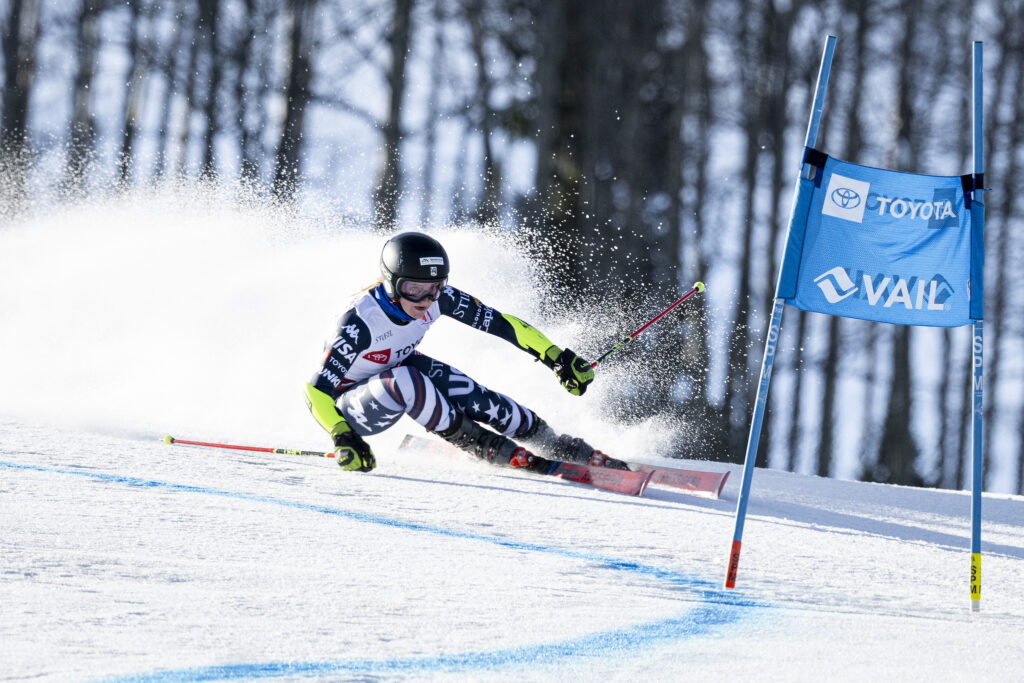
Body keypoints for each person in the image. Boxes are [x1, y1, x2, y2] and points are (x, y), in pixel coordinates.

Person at [303, 231, 625, 473]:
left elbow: (501, 324)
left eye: (434, 288)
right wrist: (343, 436)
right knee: (406, 377)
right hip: (352, 408)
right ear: (391, 282)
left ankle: (549, 440)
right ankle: (484, 445)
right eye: (413, 289)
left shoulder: (440, 297)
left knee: (466, 391)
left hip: (398, 369)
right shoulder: (359, 321)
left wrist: (556, 357)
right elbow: (315, 392)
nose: (425, 300)